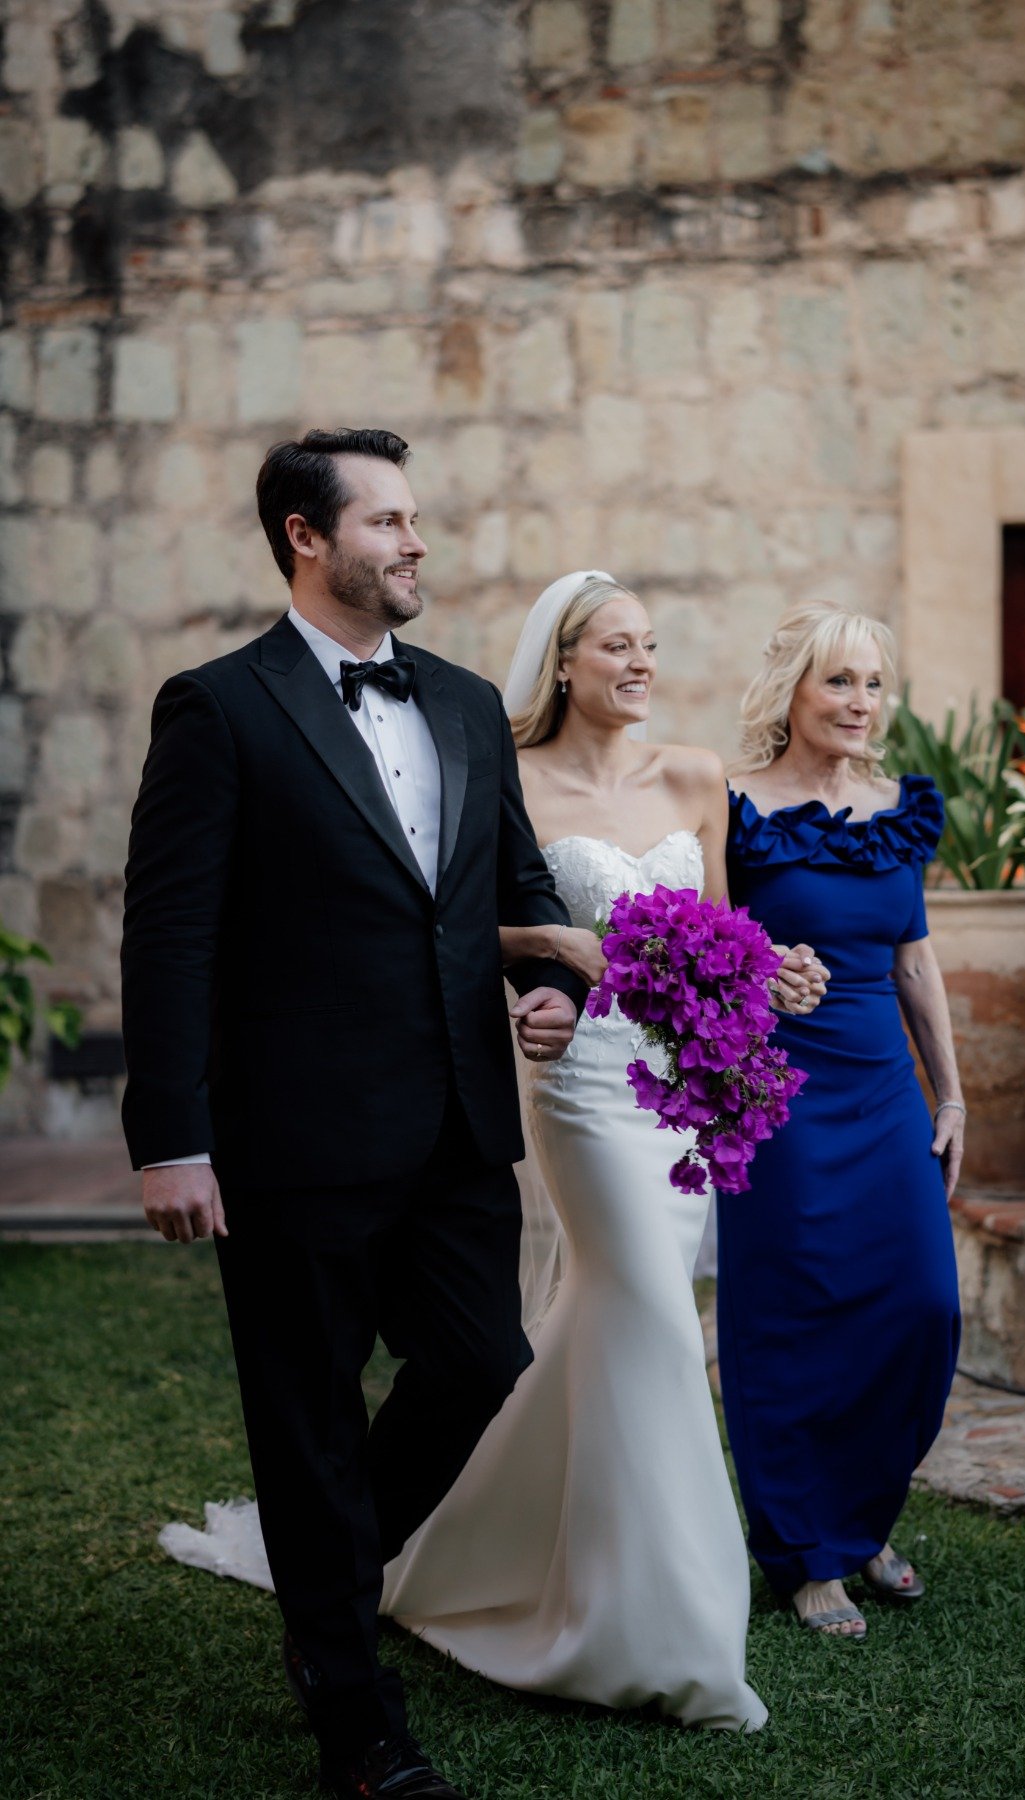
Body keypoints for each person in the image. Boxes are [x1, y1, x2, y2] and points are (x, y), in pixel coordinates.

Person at [122, 428, 586, 1800]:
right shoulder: (218, 708)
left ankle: (325, 1579)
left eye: (416, 517)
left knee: (483, 1364)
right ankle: (352, 1712)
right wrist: (172, 1135)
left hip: (456, 1121)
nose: (416, 541)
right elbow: (172, 936)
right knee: (309, 1412)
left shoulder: (454, 701)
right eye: (386, 520)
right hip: (294, 1136)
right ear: (305, 538)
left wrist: (548, 983)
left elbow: (517, 886)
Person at [376, 571, 825, 1727]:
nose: (640, 663)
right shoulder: (506, 779)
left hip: (685, 1081)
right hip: (576, 1077)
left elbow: (722, 929)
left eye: (651, 645)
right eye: (616, 645)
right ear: (561, 662)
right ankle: (672, 1640)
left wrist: (771, 968)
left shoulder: (694, 778)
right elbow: (456, 924)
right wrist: (556, 951)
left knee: (615, 1319)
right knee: (661, 1326)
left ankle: (467, 1546)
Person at [717, 600, 963, 1643]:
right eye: (840, 681)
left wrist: (951, 1092)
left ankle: (862, 1518)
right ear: (793, 692)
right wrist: (761, 973)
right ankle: (810, 1552)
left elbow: (915, 956)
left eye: (873, 683)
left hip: (883, 1093)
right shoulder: (731, 808)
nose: (862, 702)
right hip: (779, 1100)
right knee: (792, 1325)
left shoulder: (901, 806)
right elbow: (702, 948)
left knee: (921, 1311)